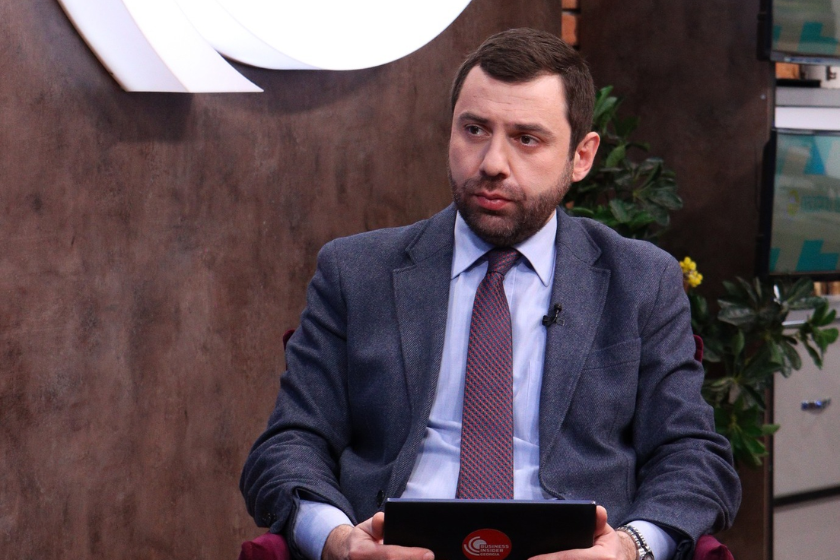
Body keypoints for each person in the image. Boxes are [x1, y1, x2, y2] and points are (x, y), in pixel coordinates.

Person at [241, 28, 741, 560]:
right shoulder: (356, 272)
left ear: (581, 156)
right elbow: (289, 444)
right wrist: (341, 542)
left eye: (526, 138)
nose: (492, 163)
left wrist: (630, 548)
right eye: (475, 129)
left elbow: (692, 455)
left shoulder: (641, 280)